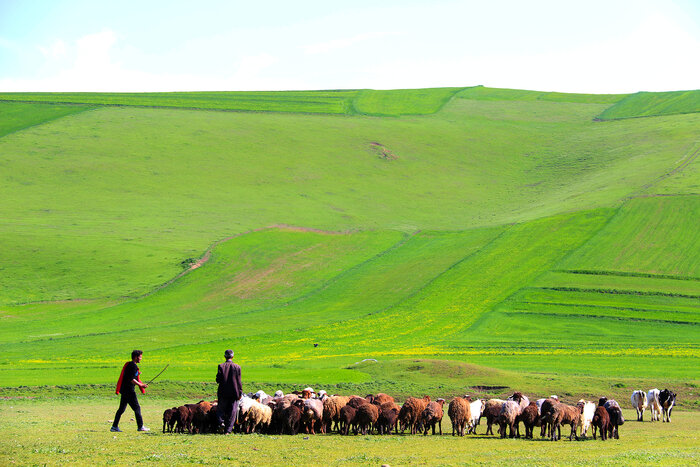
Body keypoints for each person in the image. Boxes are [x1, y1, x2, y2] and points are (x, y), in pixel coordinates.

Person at [111, 349, 149, 432]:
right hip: (129, 391)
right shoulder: (133, 366)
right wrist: (141, 385)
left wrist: (137, 374)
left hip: (124, 390)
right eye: (140, 357)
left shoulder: (130, 365)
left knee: (121, 409)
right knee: (137, 408)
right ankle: (140, 426)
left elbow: (130, 376)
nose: (141, 359)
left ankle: (114, 427)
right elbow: (131, 379)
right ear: (136, 357)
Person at [216, 349, 242, 434]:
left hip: (223, 392)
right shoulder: (237, 367)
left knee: (220, 410)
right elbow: (239, 381)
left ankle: (221, 422)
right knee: (232, 411)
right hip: (234, 393)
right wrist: (240, 392)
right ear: (232, 356)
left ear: (225, 356)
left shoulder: (221, 366)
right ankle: (228, 430)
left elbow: (218, 380)